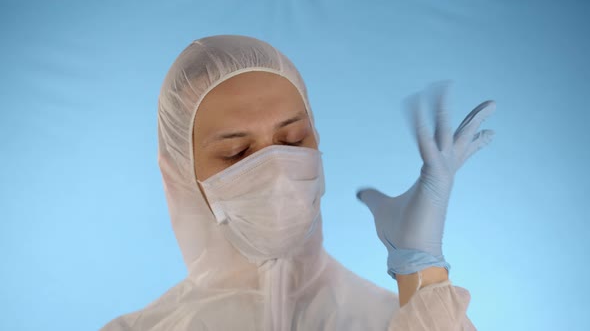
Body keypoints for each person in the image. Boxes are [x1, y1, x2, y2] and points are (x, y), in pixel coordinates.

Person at [101, 34, 495, 330]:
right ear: (181, 177)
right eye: (237, 153)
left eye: (292, 141)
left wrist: (423, 276)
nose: (275, 169)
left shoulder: (399, 320)